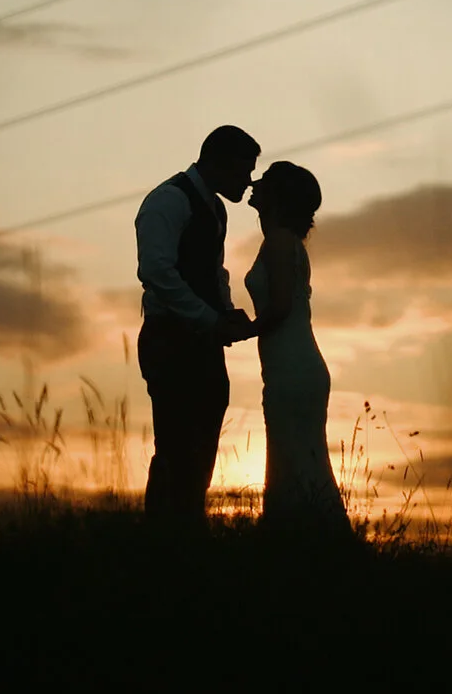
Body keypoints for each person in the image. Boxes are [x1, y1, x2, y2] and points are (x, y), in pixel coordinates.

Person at [134, 125, 259, 528]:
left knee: (202, 442)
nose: (249, 181)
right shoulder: (168, 201)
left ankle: (187, 527)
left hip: (202, 343)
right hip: (169, 341)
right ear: (219, 162)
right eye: (244, 170)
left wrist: (224, 310)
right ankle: (164, 535)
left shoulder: (214, 208)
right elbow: (156, 272)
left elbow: (212, 270)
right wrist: (211, 319)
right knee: (173, 445)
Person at [244, 161, 350, 538]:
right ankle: (307, 540)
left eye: (265, 182)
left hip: (292, 365)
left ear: (277, 197)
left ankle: (301, 539)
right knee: (299, 456)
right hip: (294, 362)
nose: (254, 185)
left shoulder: (278, 241)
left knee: (295, 457)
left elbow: (282, 306)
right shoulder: (287, 242)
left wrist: (243, 329)